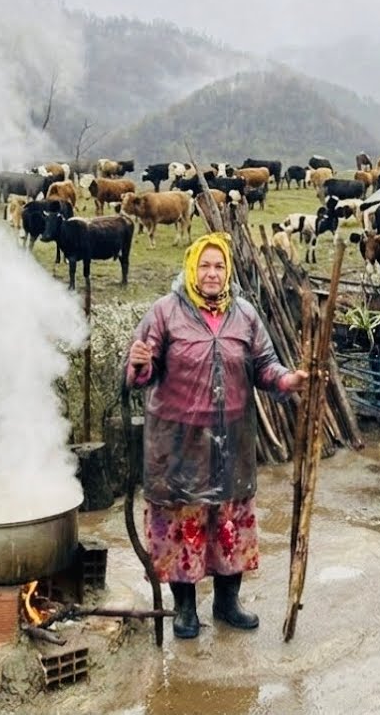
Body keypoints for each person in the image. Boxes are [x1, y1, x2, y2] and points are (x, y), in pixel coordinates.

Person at [125, 233, 307, 640]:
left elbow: (265, 366)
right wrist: (138, 364)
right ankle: (185, 608)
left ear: (228, 271)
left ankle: (228, 602)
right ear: (191, 268)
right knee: (182, 524)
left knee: (228, 525)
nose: (212, 273)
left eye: (219, 266)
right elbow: (141, 372)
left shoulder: (244, 314)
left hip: (231, 443)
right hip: (178, 445)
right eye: (204, 266)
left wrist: (289, 379)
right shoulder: (164, 312)